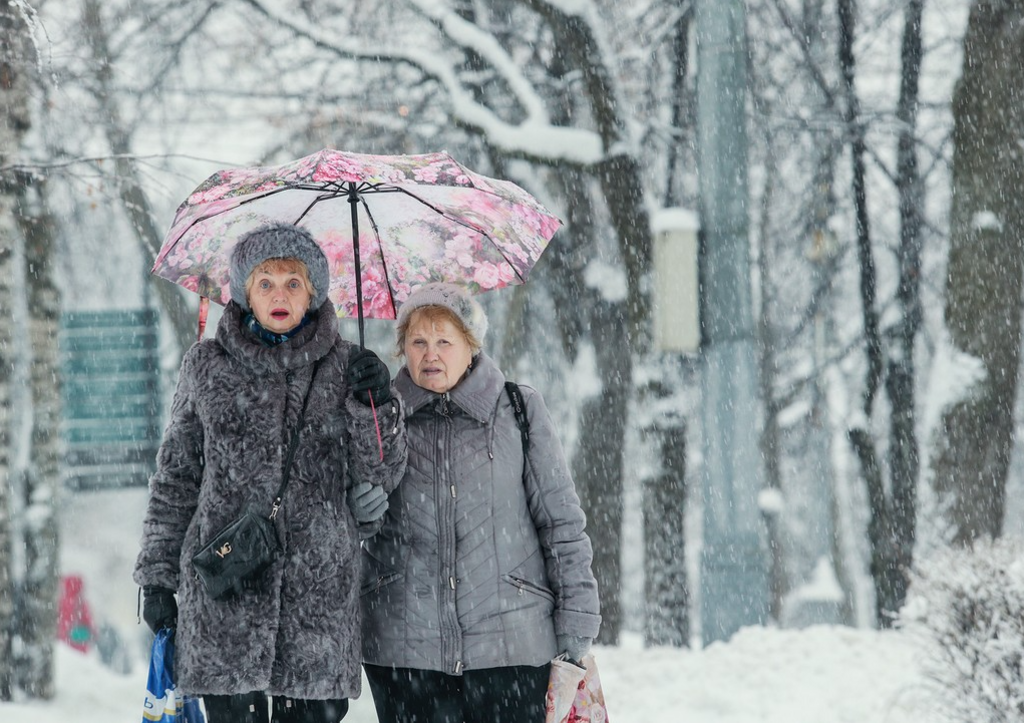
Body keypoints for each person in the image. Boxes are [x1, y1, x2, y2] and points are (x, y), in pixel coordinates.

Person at [133, 222, 407, 723]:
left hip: (318, 601)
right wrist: (156, 578)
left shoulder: (347, 365)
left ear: (313, 293)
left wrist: (378, 401)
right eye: (266, 282)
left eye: (293, 282)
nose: (279, 294)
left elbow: (382, 471)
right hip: (226, 596)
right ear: (244, 294)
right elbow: (175, 477)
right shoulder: (207, 366)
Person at [360, 282, 601, 722]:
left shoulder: (519, 410)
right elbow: (345, 524)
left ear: (471, 346)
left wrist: (578, 619)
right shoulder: (378, 419)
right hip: (405, 649)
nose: (430, 354)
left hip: (511, 643)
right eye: (418, 341)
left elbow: (561, 524)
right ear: (402, 350)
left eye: (444, 341)